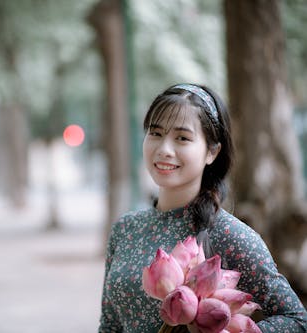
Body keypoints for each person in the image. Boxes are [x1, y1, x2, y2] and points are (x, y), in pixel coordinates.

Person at [98, 84, 307, 332]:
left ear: (212, 152)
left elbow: (296, 319)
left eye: (182, 138)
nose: (164, 149)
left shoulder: (229, 235)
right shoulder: (126, 228)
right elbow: (110, 325)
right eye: (155, 133)